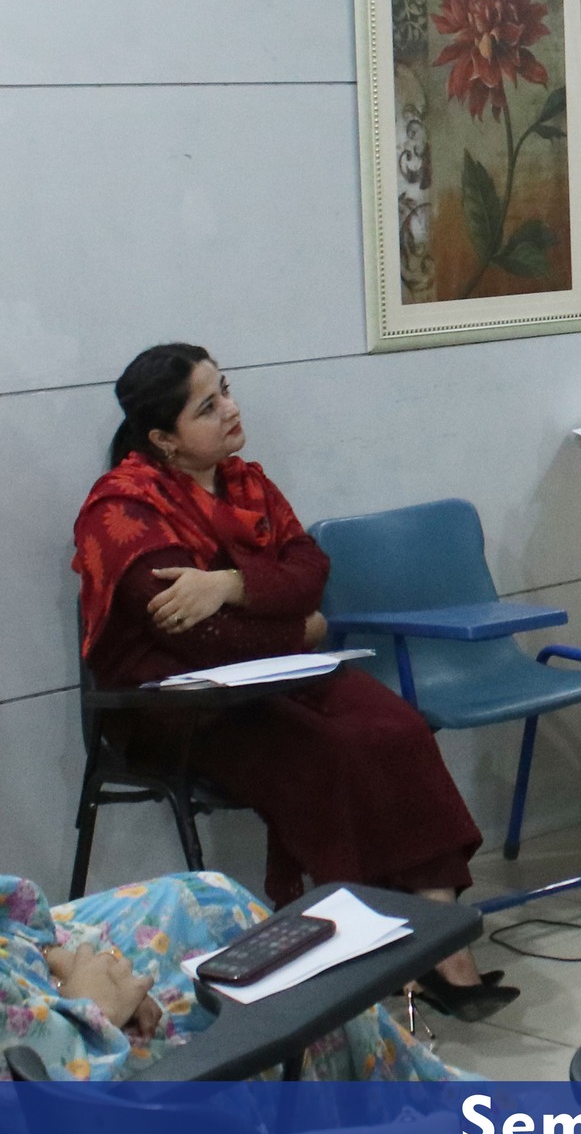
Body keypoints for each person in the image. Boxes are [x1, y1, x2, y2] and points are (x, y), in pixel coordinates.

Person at [71, 344, 515, 1020]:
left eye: (226, 389)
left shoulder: (246, 484)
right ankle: (370, 949)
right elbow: (197, 640)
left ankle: (437, 940)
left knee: (396, 728)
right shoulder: (121, 512)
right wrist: (302, 629)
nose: (231, 409)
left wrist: (231, 584)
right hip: (180, 706)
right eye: (207, 406)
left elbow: (310, 572)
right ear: (163, 439)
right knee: (331, 753)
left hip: (275, 676)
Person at [0, 871, 449, 1080]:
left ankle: (424, 1084)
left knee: (205, 900)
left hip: (24, 960)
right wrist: (91, 1008)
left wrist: (55, 954)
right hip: (65, 1065)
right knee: (302, 1008)